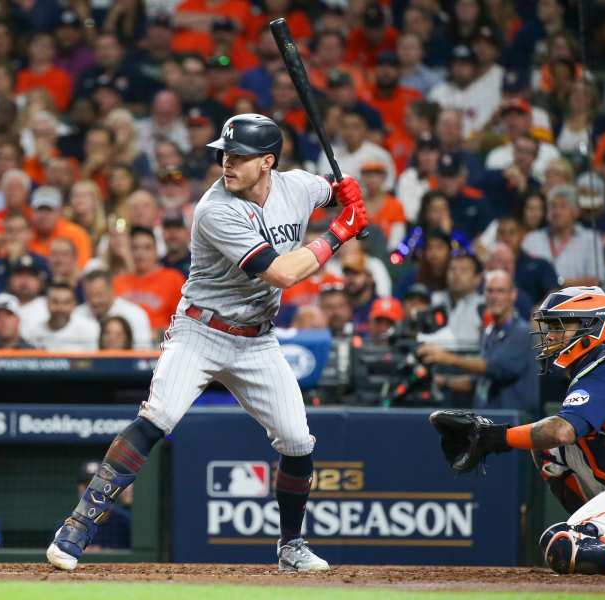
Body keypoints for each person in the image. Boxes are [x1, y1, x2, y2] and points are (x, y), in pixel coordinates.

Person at [47, 113, 368, 573]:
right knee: (158, 416)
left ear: (268, 162)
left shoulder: (297, 186)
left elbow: (334, 187)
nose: (227, 164)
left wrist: (347, 192)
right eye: (224, 155)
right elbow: (284, 273)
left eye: (239, 157)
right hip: (201, 331)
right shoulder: (215, 208)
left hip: (257, 338)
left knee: (298, 441)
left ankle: (291, 547)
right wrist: (340, 231)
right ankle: (78, 525)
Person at [429, 286, 605, 575]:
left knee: (563, 546)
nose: (550, 335)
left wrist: (493, 437)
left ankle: (598, 531)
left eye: (560, 325)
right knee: (548, 451)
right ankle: (601, 523)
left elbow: (560, 430)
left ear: (590, 327)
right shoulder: (603, 366)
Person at [418, 270, 539, 414]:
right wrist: (442, 381)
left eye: (500, 291)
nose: (494, 297)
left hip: (514, 424)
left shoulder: (522, 332)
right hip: (488, 422)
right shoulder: (489, 333)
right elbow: (478, 381)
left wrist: (446, 358)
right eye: (490, 291)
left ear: (513, 295)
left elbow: (495, 368)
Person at [521, 185, 605, 288]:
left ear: (575, 211)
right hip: (539, 302)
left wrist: (558, 282)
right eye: (553, 206)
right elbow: (523, 277)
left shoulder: (591, 239)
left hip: (578, 301)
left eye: (563, 206)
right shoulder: (532, 239)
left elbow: (595, 282)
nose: (556, 212)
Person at [113, 226, 186, 333]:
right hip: (125, 346)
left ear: (156, 251)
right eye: (135, 248)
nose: (140, 253)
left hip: (159, 344)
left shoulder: (173, 279)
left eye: (147, 248)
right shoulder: (118, 282)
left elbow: (183, 321)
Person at [72, 270, 154, 351]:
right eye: (89, 296)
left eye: (99, 295)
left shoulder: (135, 314)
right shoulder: (76, 314)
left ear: (112, 290)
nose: (94, 301)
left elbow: (143, 352)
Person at [25, 284, 99, 351]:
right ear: (46, 303)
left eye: (66, 302)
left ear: (74, 304)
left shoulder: (89, 329)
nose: (60, 308)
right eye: (55, 302)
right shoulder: (34, 331)